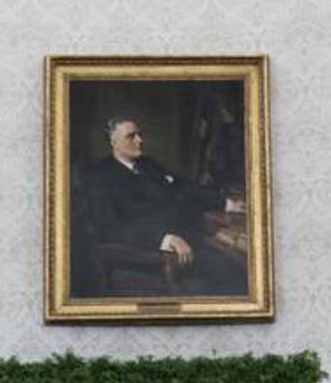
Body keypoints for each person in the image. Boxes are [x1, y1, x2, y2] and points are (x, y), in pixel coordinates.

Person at [83, 115, 248, 295]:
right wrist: (165, 238)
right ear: (113, 142)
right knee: (229, 271)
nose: (140, 140)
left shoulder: (149, 164)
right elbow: (110, 228)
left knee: (238, 256)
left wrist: (227, 204)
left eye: (139, 134)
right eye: (131, 136)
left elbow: (184, 189)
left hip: (189, 233)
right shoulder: (99, 177)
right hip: (153, 248)